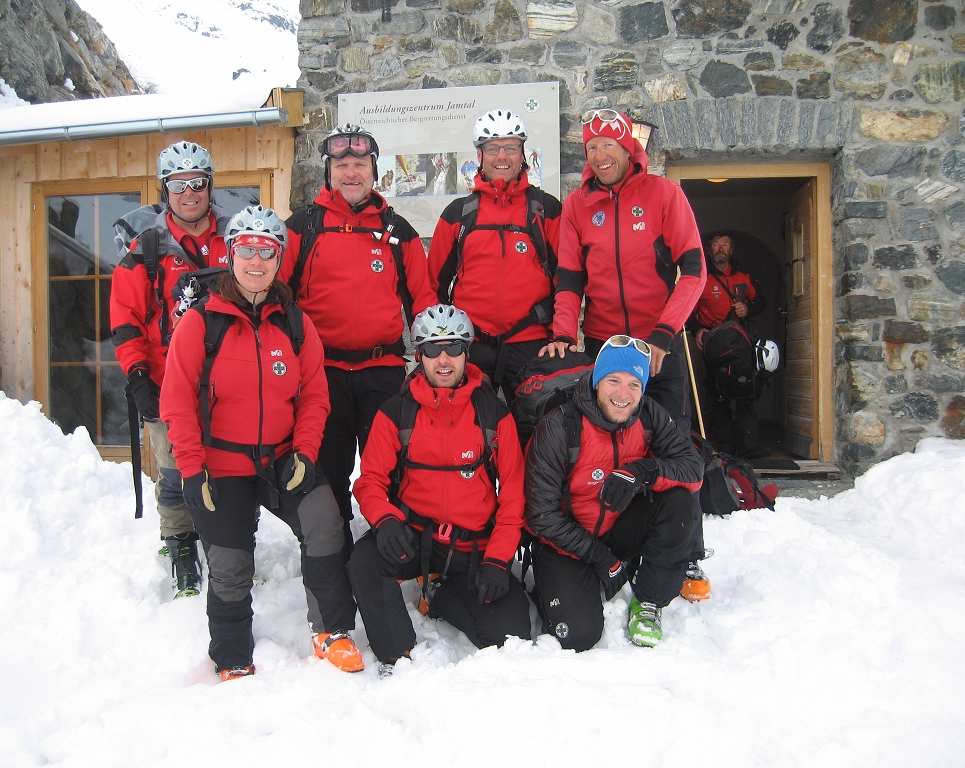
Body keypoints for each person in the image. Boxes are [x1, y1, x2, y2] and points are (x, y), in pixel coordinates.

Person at [160, 206, 363, 681]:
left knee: (325, 524)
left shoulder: (295, 323)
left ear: (278, 259)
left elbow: (315, 396)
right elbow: (176, 402)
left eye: (267, 252)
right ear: (231, 254)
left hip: (281, 458)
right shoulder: (201, 323)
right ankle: (232, 655)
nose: (257, 261)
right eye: (247, 249)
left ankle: (331, 630)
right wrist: (191, 469)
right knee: (230, 563)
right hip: (220, 465)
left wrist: (305, 452)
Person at [540, 108, 711, 600]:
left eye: (608, 145)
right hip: (604, 346)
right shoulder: (578, 206)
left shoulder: (664, 194)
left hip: (659, 344)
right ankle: (608, 539)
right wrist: (563, 331)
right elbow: (569, 277)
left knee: (674, 445)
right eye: (591, 147)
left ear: (628, 149)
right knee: (608, 444)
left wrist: (664, 333)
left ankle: (687, 552)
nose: (599, 155)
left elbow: (694, 271)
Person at [349, 304, 531, 676]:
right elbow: (370, 481)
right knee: (364, 561)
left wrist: (498, 560)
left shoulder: (493, 416)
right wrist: (385, 521)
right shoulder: (395, 412)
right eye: (432, 348)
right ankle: (396, 654)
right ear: (419, 355)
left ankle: (440, 593)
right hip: (414, 537)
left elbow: (514, 493)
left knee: (510, 636)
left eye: (453, 347)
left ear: (467, 352)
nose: (443, 359)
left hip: (472, 547)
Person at [287, 125, 436, 554]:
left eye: (359, 164)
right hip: (323, 374)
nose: (351, 173)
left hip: (381, 372)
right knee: (328, 471)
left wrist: (434, 358)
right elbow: (279, 298)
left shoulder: (398, 231)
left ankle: (385, 549)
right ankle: (333, 551)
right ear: (329, 172)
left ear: (374, 170)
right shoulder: (303, 226)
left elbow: (423, 300)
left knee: (386, 469)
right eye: (342, 165)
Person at [525, 336, 703, 650]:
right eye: (614, 381)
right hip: (564, 541)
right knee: (579, 636)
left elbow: (692, 468)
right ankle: (554, 588)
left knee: (679, 503)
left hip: (617, 528)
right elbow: (541, 515)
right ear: (597, 381)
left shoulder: (648, 414)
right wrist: (599, 556)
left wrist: (645, 471)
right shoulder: (560, 425)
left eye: (634, 384)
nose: (623, 394)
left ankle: (650, 600)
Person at [110, 141, 229, 599]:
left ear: (210, 186)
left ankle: (232, 543)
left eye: (197, 183)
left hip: (229, 378)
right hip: (166, 380)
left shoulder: (234, 237)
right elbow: (125, 320)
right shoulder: (147, 248)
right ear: (165, 190)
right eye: (178, 185)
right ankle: (180, 544)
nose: (189, 193)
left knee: (232, 466)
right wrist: (138, 376)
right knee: (176, 469)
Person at [428, 109, 561, 402]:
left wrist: (559, 334)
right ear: (480, 155)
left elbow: (566, 280)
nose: (502, 156)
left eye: (511, 147)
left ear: (522, 153)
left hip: (532, 343)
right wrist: (442, 340)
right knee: (470, 425)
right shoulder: (458, 214)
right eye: (492, 148)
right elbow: (433, 284)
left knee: (538, 426)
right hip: (472, 344)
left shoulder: (546, 209)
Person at [691, 232, 768, 459]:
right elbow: (688, 306)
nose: (720, 249)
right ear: (709, 250)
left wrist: (748, 308)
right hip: (713, 343)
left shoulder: (743, 274)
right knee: (718, 394)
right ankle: (725, 448)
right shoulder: (701, 276)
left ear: (731, 250)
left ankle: (748, 446)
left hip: (740, 342)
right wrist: (697, 330)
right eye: (716, 245)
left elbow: (760, 299)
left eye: (724, 245)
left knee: (746, 392)